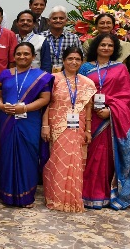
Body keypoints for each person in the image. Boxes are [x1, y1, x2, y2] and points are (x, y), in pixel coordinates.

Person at [79, 33, 130, 210]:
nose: (106, 48)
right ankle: (84, 193)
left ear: (115, 49)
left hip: (110, 119)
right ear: (96, 47)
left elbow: (127, 97)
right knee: (87, 156)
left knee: (105, 157)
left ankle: (104, 194)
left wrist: (111, 111)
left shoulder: (120, 68)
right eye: (102, 45)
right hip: (88, 116)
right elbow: (78, 90)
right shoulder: (85, 68)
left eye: (110, 46)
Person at [0, 42, 52, 207]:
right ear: (14, 56)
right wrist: (1, 106)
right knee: (7, 156)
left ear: (33, 56)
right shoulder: (5, 74)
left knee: (28, 157)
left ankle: (26, 196)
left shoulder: (41, 76)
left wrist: (24, 108)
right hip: (6, 120)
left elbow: (45, 99)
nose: (22, 57)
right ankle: (7, 195)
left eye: (26, 54)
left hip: (29, 121)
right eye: (18, 54)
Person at [41, 46, 95, 213]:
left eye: (77, 59)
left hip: (78, 127)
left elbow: (88, 108)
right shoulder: (53, 79)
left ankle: (72, 199)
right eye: (70, 58)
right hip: (57, 126)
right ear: (63, 61)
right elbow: (47, 104)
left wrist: (88, 130)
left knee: (75, 162)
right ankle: (56, 198)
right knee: (58, 161)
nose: (74, 62)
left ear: (82, 62)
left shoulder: (87, 83)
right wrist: (45, 126)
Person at [40, 6, 81, 73]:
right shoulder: (40, 37)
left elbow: (80, 58)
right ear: (49, 21)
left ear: (66, 21)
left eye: (61, 18)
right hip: (44, 75)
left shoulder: (73, 38)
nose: (58, 20)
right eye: (54, 18)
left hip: (67, 75)